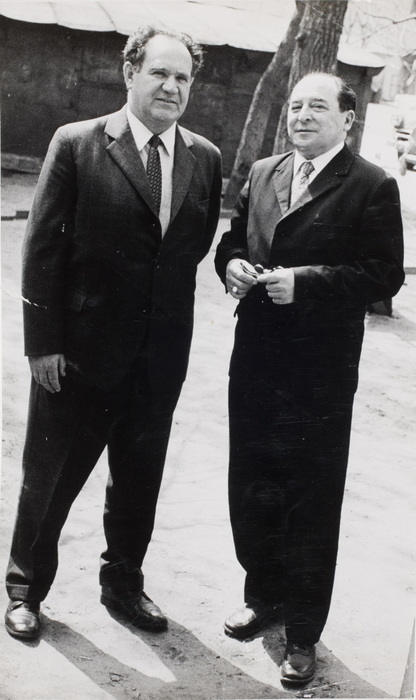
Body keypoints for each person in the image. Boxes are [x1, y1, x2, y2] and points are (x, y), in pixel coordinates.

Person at [5, 25, 222, 640]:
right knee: (50, 475)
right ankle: (25, 589)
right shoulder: (77, 143)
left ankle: (123, 583)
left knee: (139, 478)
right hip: (78, 355)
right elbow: (41, 250)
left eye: (182, 77)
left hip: (159, 358)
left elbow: (189, 249)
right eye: (159, 72)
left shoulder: (205, 158)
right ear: (130, 73)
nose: (171, 86)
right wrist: (43, 344)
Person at [215, 73, 404, 684]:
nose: (301, 115)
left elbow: (384, 275)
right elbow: (231, 242)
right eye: (295, 105)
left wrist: (307, 282)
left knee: (309, 497)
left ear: (348, 118)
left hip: (319, 371)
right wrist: (233, 266)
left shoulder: (372, 184)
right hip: (255, 359)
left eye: (317, 106)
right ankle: (263, 595)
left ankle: (301, 630)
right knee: (252, 482)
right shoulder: (264, 172)